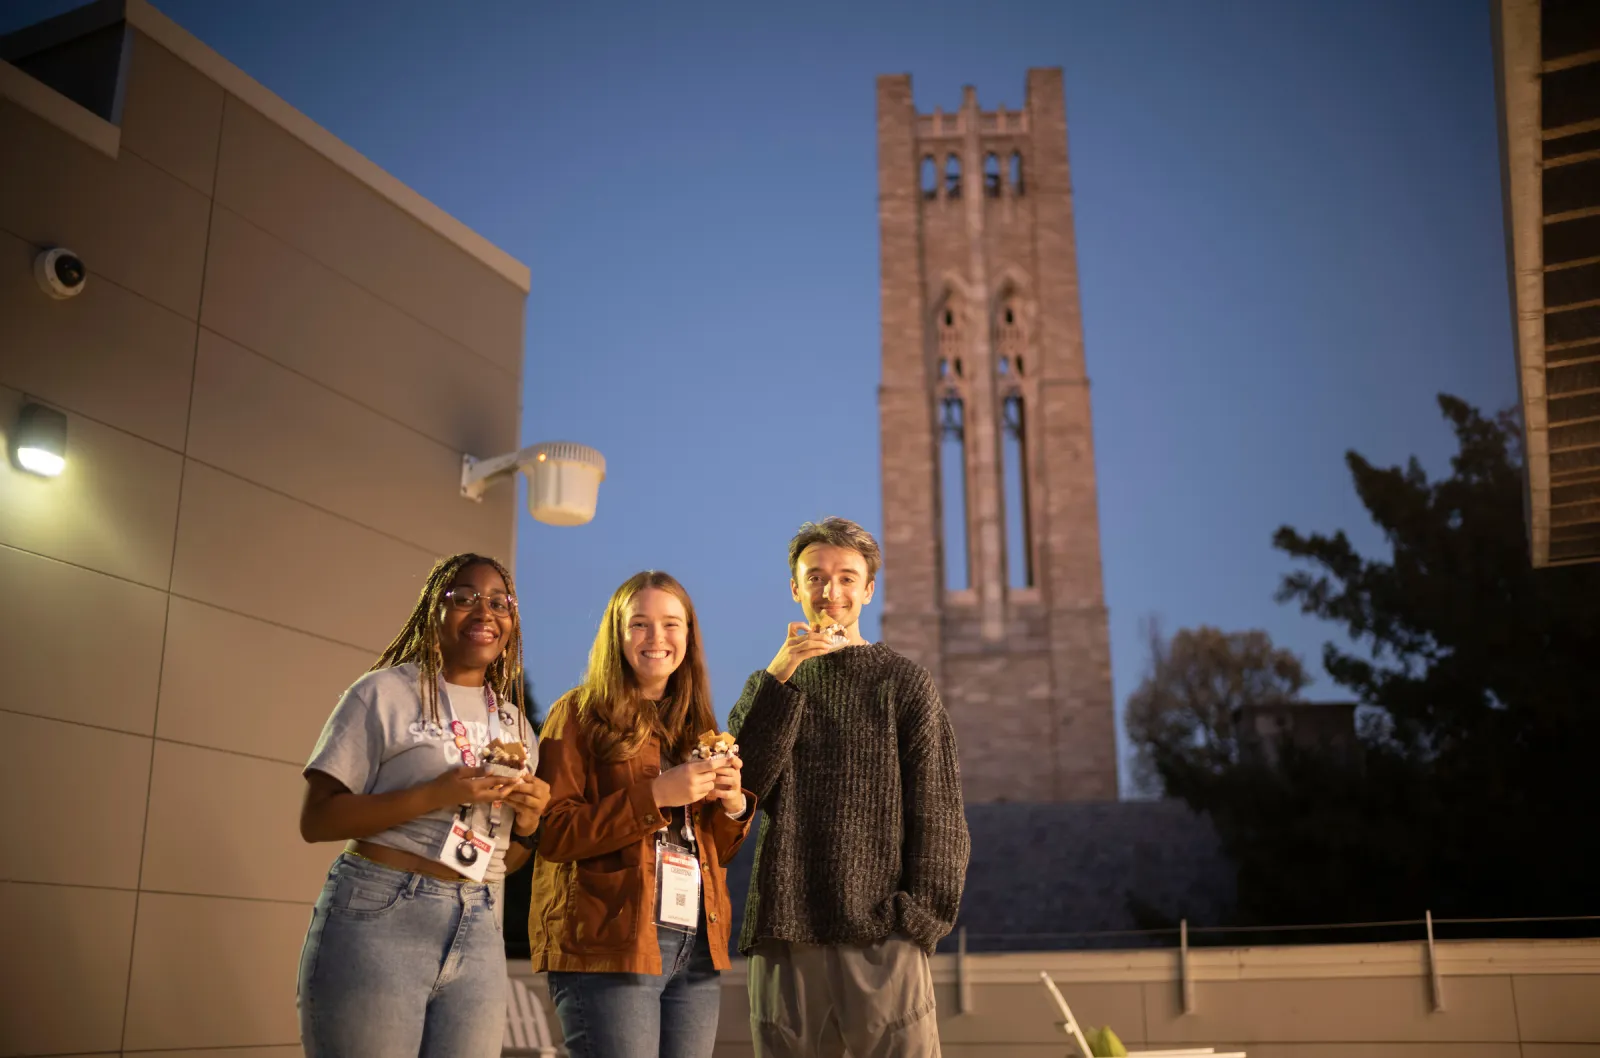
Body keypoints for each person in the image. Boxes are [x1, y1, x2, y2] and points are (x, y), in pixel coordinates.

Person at [731, 517, 970, 1058]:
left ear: (867, 588)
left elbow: (940, 813)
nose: (830, 591)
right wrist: (780, 675)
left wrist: (917, 923)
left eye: (845, 577)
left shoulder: (904, 682)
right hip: (784, 932)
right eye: (815, 577)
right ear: (795, 588)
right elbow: (741, 788)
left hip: (883, 935)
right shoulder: (769, 682)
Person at [296, 553, 551, 1057]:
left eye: (499, 602)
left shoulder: (517, 727)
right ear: (433, 611)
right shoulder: (384, 693)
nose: (484, 611)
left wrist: (529, 822)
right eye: (464, 598)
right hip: (380, 912)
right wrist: (436, 794)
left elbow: (507, 859)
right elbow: (317, 818)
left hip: (477, 922)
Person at [528, 570, 754, 1058]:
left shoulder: (698, 726)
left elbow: (715, 850)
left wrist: (734, 806)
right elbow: (552, 832)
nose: (657, 638)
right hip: (609, 948)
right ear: (617, 634)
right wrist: (655, 795)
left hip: (695, 947)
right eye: (640, 625)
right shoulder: (579, 714)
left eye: (672, 624)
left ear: (689, 636)